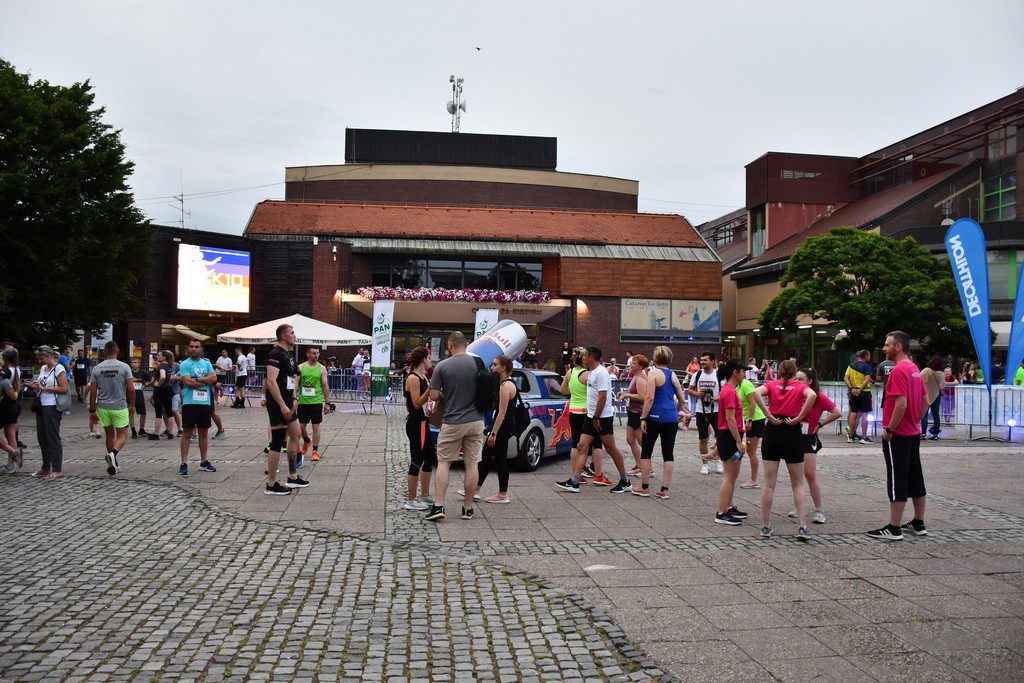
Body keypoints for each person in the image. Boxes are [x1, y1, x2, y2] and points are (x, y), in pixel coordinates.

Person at [868, 331, 930, 541]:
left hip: (899, 434)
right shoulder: (914, 369)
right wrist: (916, 420)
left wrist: (890, 429)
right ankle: (918, 522)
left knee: (897, 478)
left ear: (898, 347)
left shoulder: (898, 371)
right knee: (915, 475)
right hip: (912, 431)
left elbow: (900, 404)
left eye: (887, 345)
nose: (884, 348)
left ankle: (894, 528)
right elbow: (926, 401)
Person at [751, 360, 817, 541]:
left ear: (778, 372)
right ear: (795, 373)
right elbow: (811, 395)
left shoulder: (772, 385)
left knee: (768, 484)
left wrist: (768, 415)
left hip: (773, 431)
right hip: (791, 431)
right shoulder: (798, 386)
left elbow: (756, 392)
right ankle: (803, 527)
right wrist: (799, 417)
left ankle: (765, 526)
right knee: (798, 484)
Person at [555, 345, 633, 495]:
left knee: (611, 448)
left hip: (601, 418)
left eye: (585, 355)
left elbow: (603, 397)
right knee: (581, 446)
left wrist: (596, 417)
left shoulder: (601, 373)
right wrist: (592, 416)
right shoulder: (591, 372)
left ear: (591, 357)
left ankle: (625, 480)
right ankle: (575, 481)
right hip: (591, 417)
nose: (582, 357)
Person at [426, 332, 485, 521]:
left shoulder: (443, 366)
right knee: (472, 463)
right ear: (466, 344)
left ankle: (439, 506)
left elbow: (434, 396)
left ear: (450, 344)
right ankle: (467, 508)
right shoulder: (479, 363)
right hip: (476, 421)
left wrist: (446, 394)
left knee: (444, 462)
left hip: (452, 421)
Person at [788, 367, 842, 525]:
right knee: (796, 476)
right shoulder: (794, 394)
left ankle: (819, 510)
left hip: (809, 438)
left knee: (809, 474)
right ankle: (800, 506)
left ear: (810, 381)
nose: (796, 382)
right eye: (795, 378)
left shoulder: (818, 397)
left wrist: (821, 424)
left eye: (800, 379)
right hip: (794, 437)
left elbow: (836, 412)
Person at [635, 347, 688, 499]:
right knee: (668, 453)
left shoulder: (653, 373)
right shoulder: (673, 375)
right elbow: (682, 400)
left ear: (655, 358)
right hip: (671, 418)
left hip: (654, 417)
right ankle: (665, 489)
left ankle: (644, 487)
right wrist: (675, 411)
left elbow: (649, 398)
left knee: (646, 451)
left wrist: (643, 418)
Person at [264, 324, 309, 494]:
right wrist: (282, 404)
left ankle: (292, 476)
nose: (295, 336)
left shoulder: (288, 355)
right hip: (278, 403)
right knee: (277, 441)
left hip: (289, 400)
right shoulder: (275, 353)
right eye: (292, 333)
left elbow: (294, 377)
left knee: (296, 435)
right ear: (283, 336)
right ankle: (271, 484)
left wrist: (294, 398)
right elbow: (271, 381)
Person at [559, 347, 607, 485]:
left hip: (573, 410)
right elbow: (596, 391)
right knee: (596, 443)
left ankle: (576, 473)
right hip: (586, 411)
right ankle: (598, 473)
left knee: (576, 444)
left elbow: (562, 390)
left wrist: (574, 390)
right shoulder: (587, 374)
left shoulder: (570, 372)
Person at [88, 341, 135, 476]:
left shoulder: (97, 368)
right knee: (122, 435)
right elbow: (131, 389)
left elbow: (92, 391)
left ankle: (114, 463)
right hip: (119, 405)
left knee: (109, 434)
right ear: (117, 351)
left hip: (103, 406)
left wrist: (92, 410)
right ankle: (113, 454)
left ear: (104, 352)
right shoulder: (124, 367)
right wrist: (132, 405)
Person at [477, 354, 518, 504]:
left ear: (503, 367)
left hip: (504, 425)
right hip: (507, 424)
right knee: (487, 456)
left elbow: (502, 412)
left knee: (499, 458)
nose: (492, 367)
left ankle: (503, 494)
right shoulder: (508, 383)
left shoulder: (505, 386)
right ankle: (475, 489)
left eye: (495, 365)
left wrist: (493, 433)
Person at [712, 359, 749, 524]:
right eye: (743, 371)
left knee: (732, 476)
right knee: (729, 476)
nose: (745, 374)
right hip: (729, 436)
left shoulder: (729, 390)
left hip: (731, 435)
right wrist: (738, 441)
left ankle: (728, 507)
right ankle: (721, 512)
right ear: (736, 372)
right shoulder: (729, 391)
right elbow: (730, 419)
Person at [26, 346, 69, 479]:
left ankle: (57, 469)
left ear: (49, 356)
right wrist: (35, 386)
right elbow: (42, 384)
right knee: (42, 437)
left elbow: (64, 388)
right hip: (42, 405)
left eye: (41, 358)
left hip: (52, 406)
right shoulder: (44, 369)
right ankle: (46, 467)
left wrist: (44, 388)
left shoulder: (59, 368)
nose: (39, 360)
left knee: (52, 437)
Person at [177, 340, 218, 476]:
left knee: (204, 433)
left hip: (204, 402)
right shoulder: (185, 364)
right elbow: (188, 382)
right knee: (187, 433)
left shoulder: (206, 363)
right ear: (188, 348)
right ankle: (184, 463)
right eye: (191, 347)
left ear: (201, 349)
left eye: (196, 347)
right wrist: (204, 379)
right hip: (190, 402)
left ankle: (204, 461)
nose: (194, 349)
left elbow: (214, 378)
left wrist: (198, 379)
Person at [403, 346, 435, 511]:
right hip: (416, 424)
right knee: (417, 460)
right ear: (423, 359)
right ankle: (411, 499)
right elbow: (416, 403)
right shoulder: (413, 378)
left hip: (424, 422)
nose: (430, 361)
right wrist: (430, 390)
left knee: (430, 458)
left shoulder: (423, 377)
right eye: (429, 358)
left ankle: (424, 494)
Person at [687, 351, 722, 475]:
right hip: (701, 410)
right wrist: (697, 394)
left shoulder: (719, 375)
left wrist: (718, 398)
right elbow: (690, 390)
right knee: (703, 439)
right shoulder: (697, 375)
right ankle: (705, 464)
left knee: (719, 438)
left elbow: (727, 392)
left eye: (705, 360)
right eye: (701, 360)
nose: (702, 362)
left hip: (717, 410)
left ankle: (719, 460)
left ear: (712, 361)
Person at [296, 346, 330, 463]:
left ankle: (315, 450)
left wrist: (327, 403)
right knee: (301, 426)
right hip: (303, 401)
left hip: (316, 401)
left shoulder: (322, 369)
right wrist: (294, 398)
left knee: (316, 426)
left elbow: (325, 386)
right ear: (308, 354)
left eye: (317, 353)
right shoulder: (301, 367)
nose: (316, 355)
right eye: (313, 353)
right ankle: (306, 440)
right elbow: (295, 383)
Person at [617, 354, 649, 477]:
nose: (631, 365)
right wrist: (625, 393)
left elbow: (643, 397)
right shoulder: (636, 376)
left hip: (637, 413)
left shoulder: (641, 378)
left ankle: (648, 468)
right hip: (632, 412)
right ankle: (639, 465)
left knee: (642, 441)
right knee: (630, 440)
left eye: (634, 364)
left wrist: (626, 395)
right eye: (631, 363)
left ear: (641, 366)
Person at [737, 369, 765, 490]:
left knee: (751, 451)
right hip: (748, 420)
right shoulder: (737, 386)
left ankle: (754, 480)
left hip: (755, 421)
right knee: (747, 447)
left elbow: (753, 403)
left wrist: (749, 420)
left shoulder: (746, 384)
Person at [844, 350, 874, 444]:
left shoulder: (851, 366)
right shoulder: (867, 366)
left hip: (854, 392)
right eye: (869, 356)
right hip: (864, 392)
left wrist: (852, 388)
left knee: (853, 413)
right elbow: (868, 379)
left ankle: (851, 436)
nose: (870, 357)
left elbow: (845, 377)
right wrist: (861, 389)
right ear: (865, 356)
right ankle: (864, 437)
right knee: (865, 414)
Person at [1, 348, 23, 473]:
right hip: (13, 405)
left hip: (5, 405)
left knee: (10, 434)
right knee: (11, 434)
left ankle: (13, 452)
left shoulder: (6, 372)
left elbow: (10, 391)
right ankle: (10, 465)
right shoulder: (17, 370)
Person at [150, 350, 177, 439]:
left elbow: (162, 376)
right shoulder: (169, 366)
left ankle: (156, 433)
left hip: (161, 389)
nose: (157, 356)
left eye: (159, 355)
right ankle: (170, 432)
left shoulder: (161, 366)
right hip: (169, 388)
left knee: (158, 411)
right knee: (169, 411)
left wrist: (158, 384)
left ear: (164, 357)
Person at [919, 355, 945, 440]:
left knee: (924, 415)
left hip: (925, 395)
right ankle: (936, 434)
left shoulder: (926, 371)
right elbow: (942, 386)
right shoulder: (941, 374)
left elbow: (919, 380)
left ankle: (923, 433)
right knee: (936, 415)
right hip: (936, 396)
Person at [128, 357, 152, 439]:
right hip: (130, 395)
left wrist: (145, 384)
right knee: (131, 413)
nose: (133, 364)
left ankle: (141, 429)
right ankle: (133, 430)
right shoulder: (128, 372)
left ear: (139, 364)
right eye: (132, 362)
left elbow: (151, 379)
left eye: (135, 362)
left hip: (139, 395)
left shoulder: (142, 373)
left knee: (143, 413)